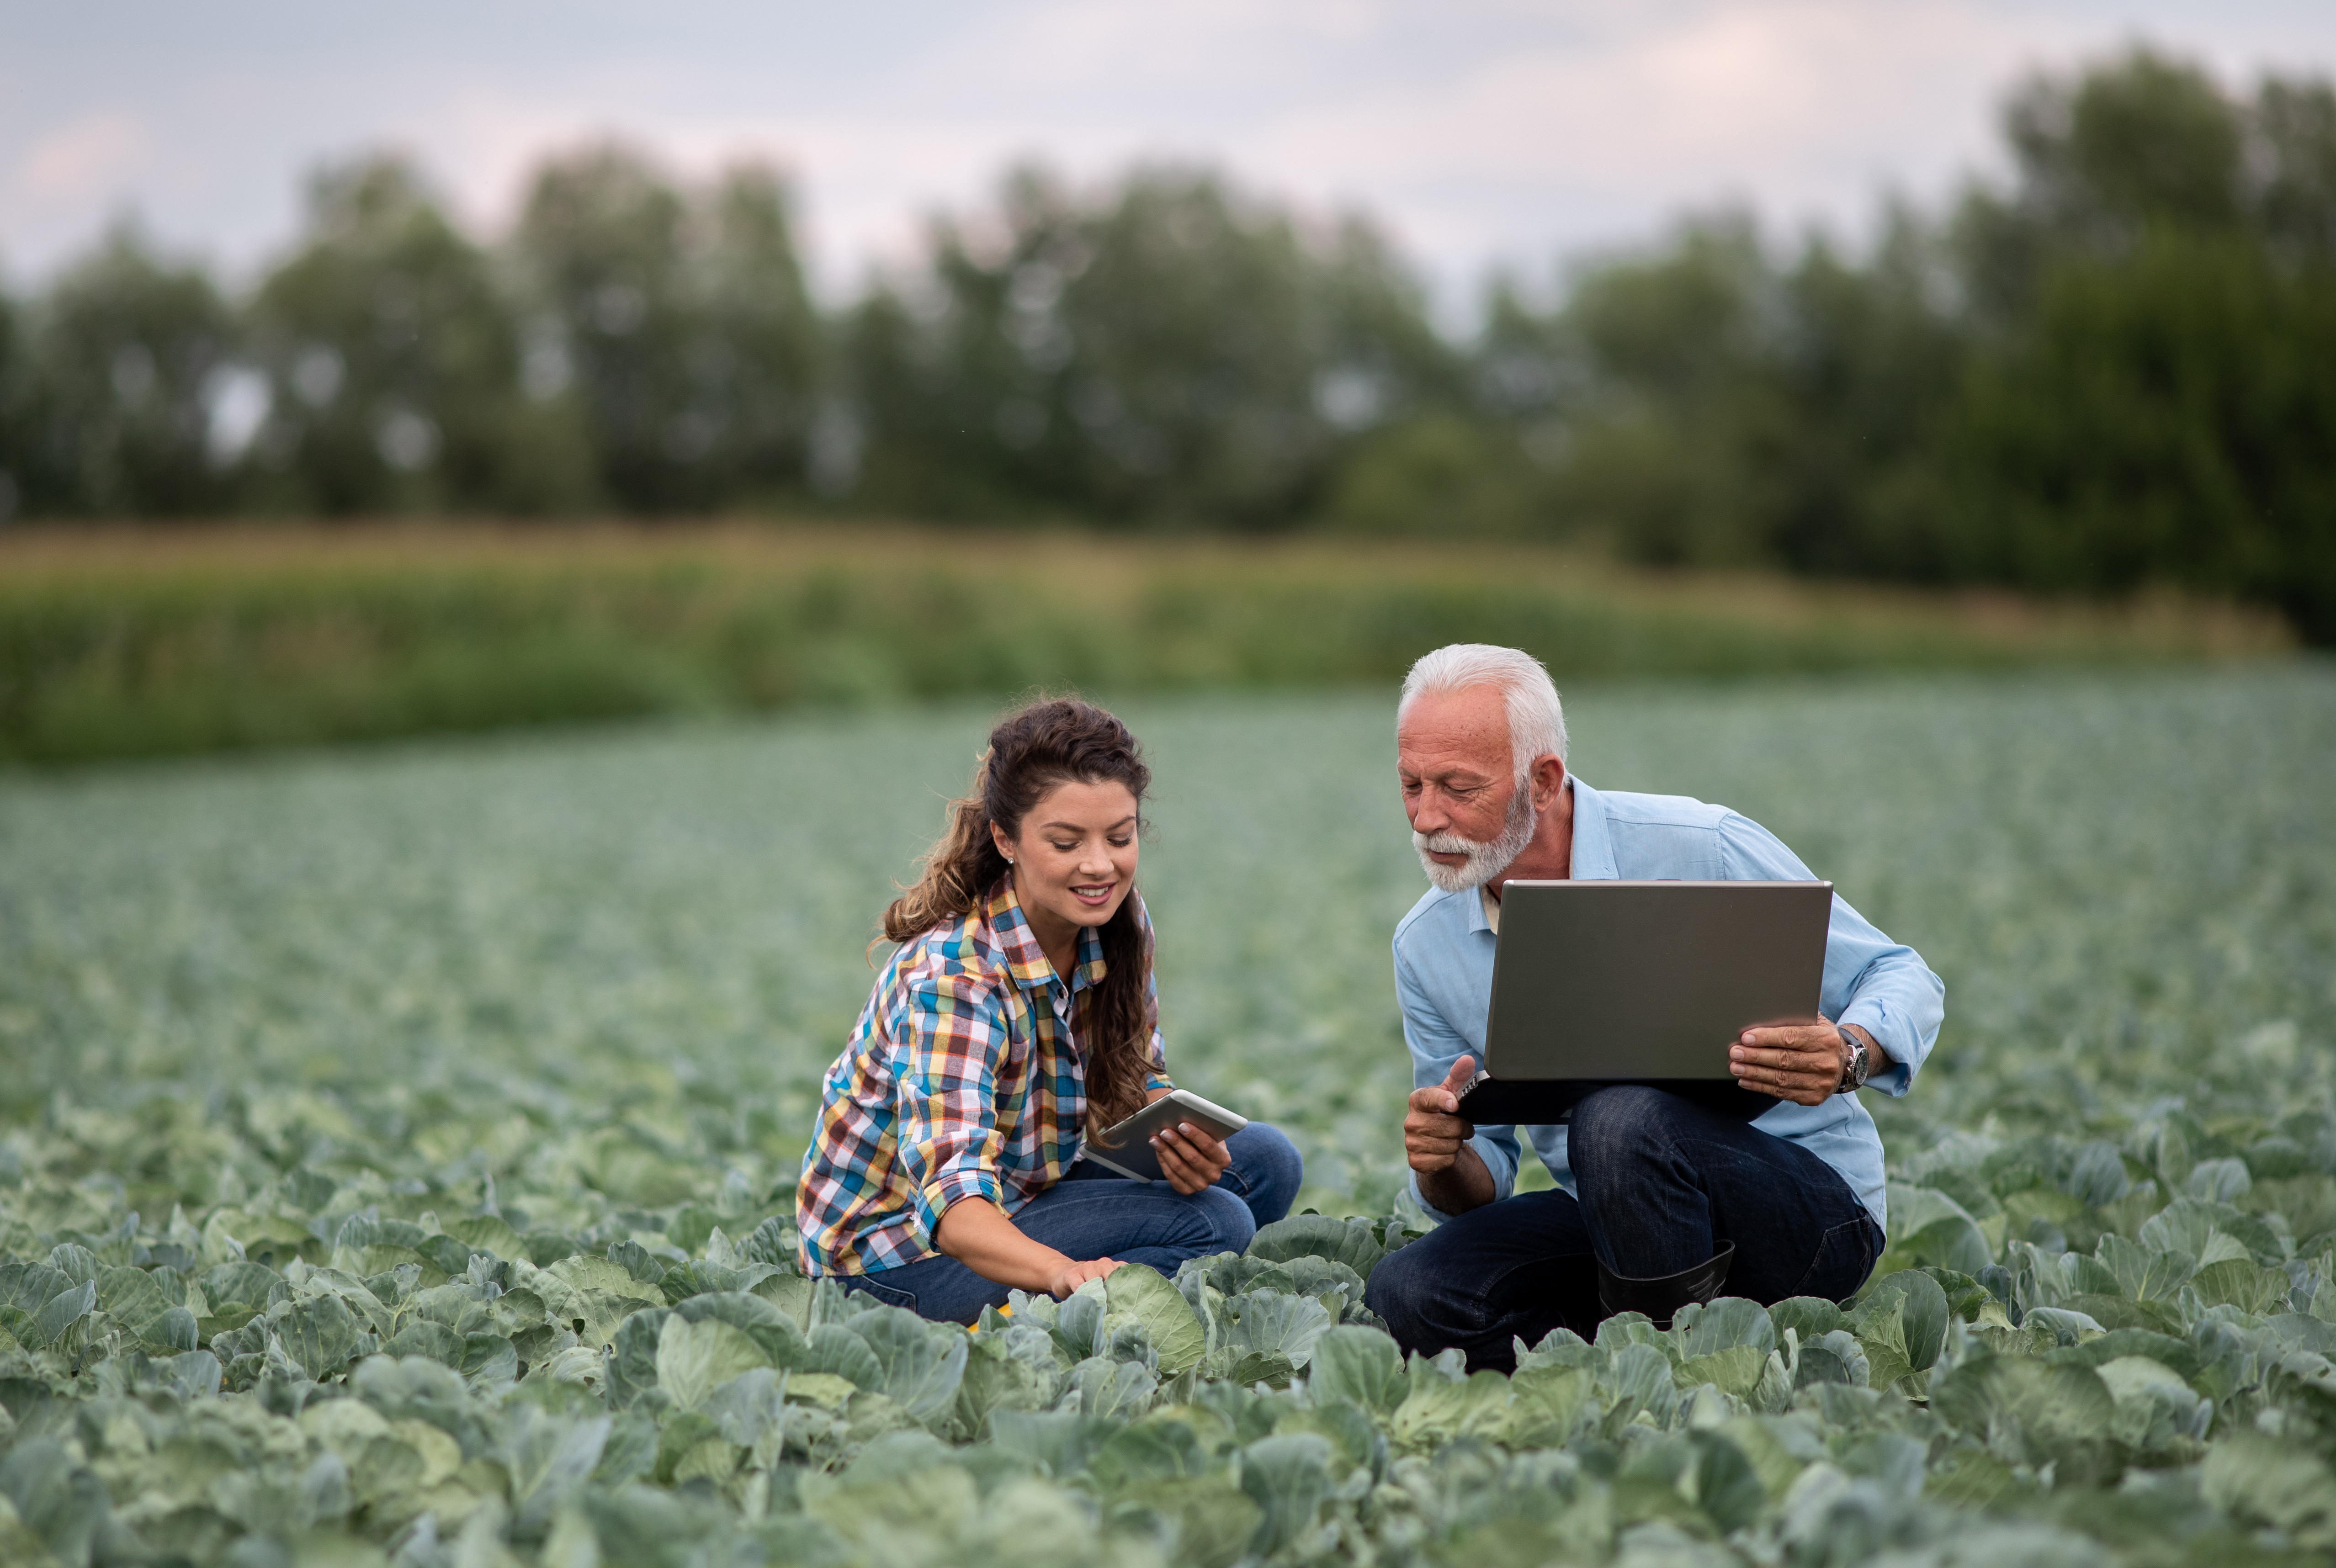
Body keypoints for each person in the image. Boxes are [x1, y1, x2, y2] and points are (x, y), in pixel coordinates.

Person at [1363, 645, 1943, 1369]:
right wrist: (1441, 1160)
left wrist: (1852, 1051)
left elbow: (1902, 972)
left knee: (1618, 1121)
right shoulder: (1425, 943)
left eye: (1457, 787)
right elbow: (1480, 1178)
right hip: (1613, 1222)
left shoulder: (1704, 846)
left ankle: (1662, 1376)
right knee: (1407, 1293)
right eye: (1411, 785)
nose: (1425, 817)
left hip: (1810, 1212)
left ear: (1542, 781)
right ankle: (1641, 1348)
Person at [795, 695, 1302, 1322]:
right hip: (890, 1266)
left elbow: (1135, 1075)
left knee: (1265, 1163)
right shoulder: (957, 979)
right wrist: (1063, 1274)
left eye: (1120, 837)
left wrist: (1170, 1133)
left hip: (1024, 1188)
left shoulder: (1116, 920)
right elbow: (952, 1205)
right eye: (1066, 842)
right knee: (1216, 1223)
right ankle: (1076, 1328)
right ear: (1005, 839)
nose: (1100, 865)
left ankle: (1103, 1291)